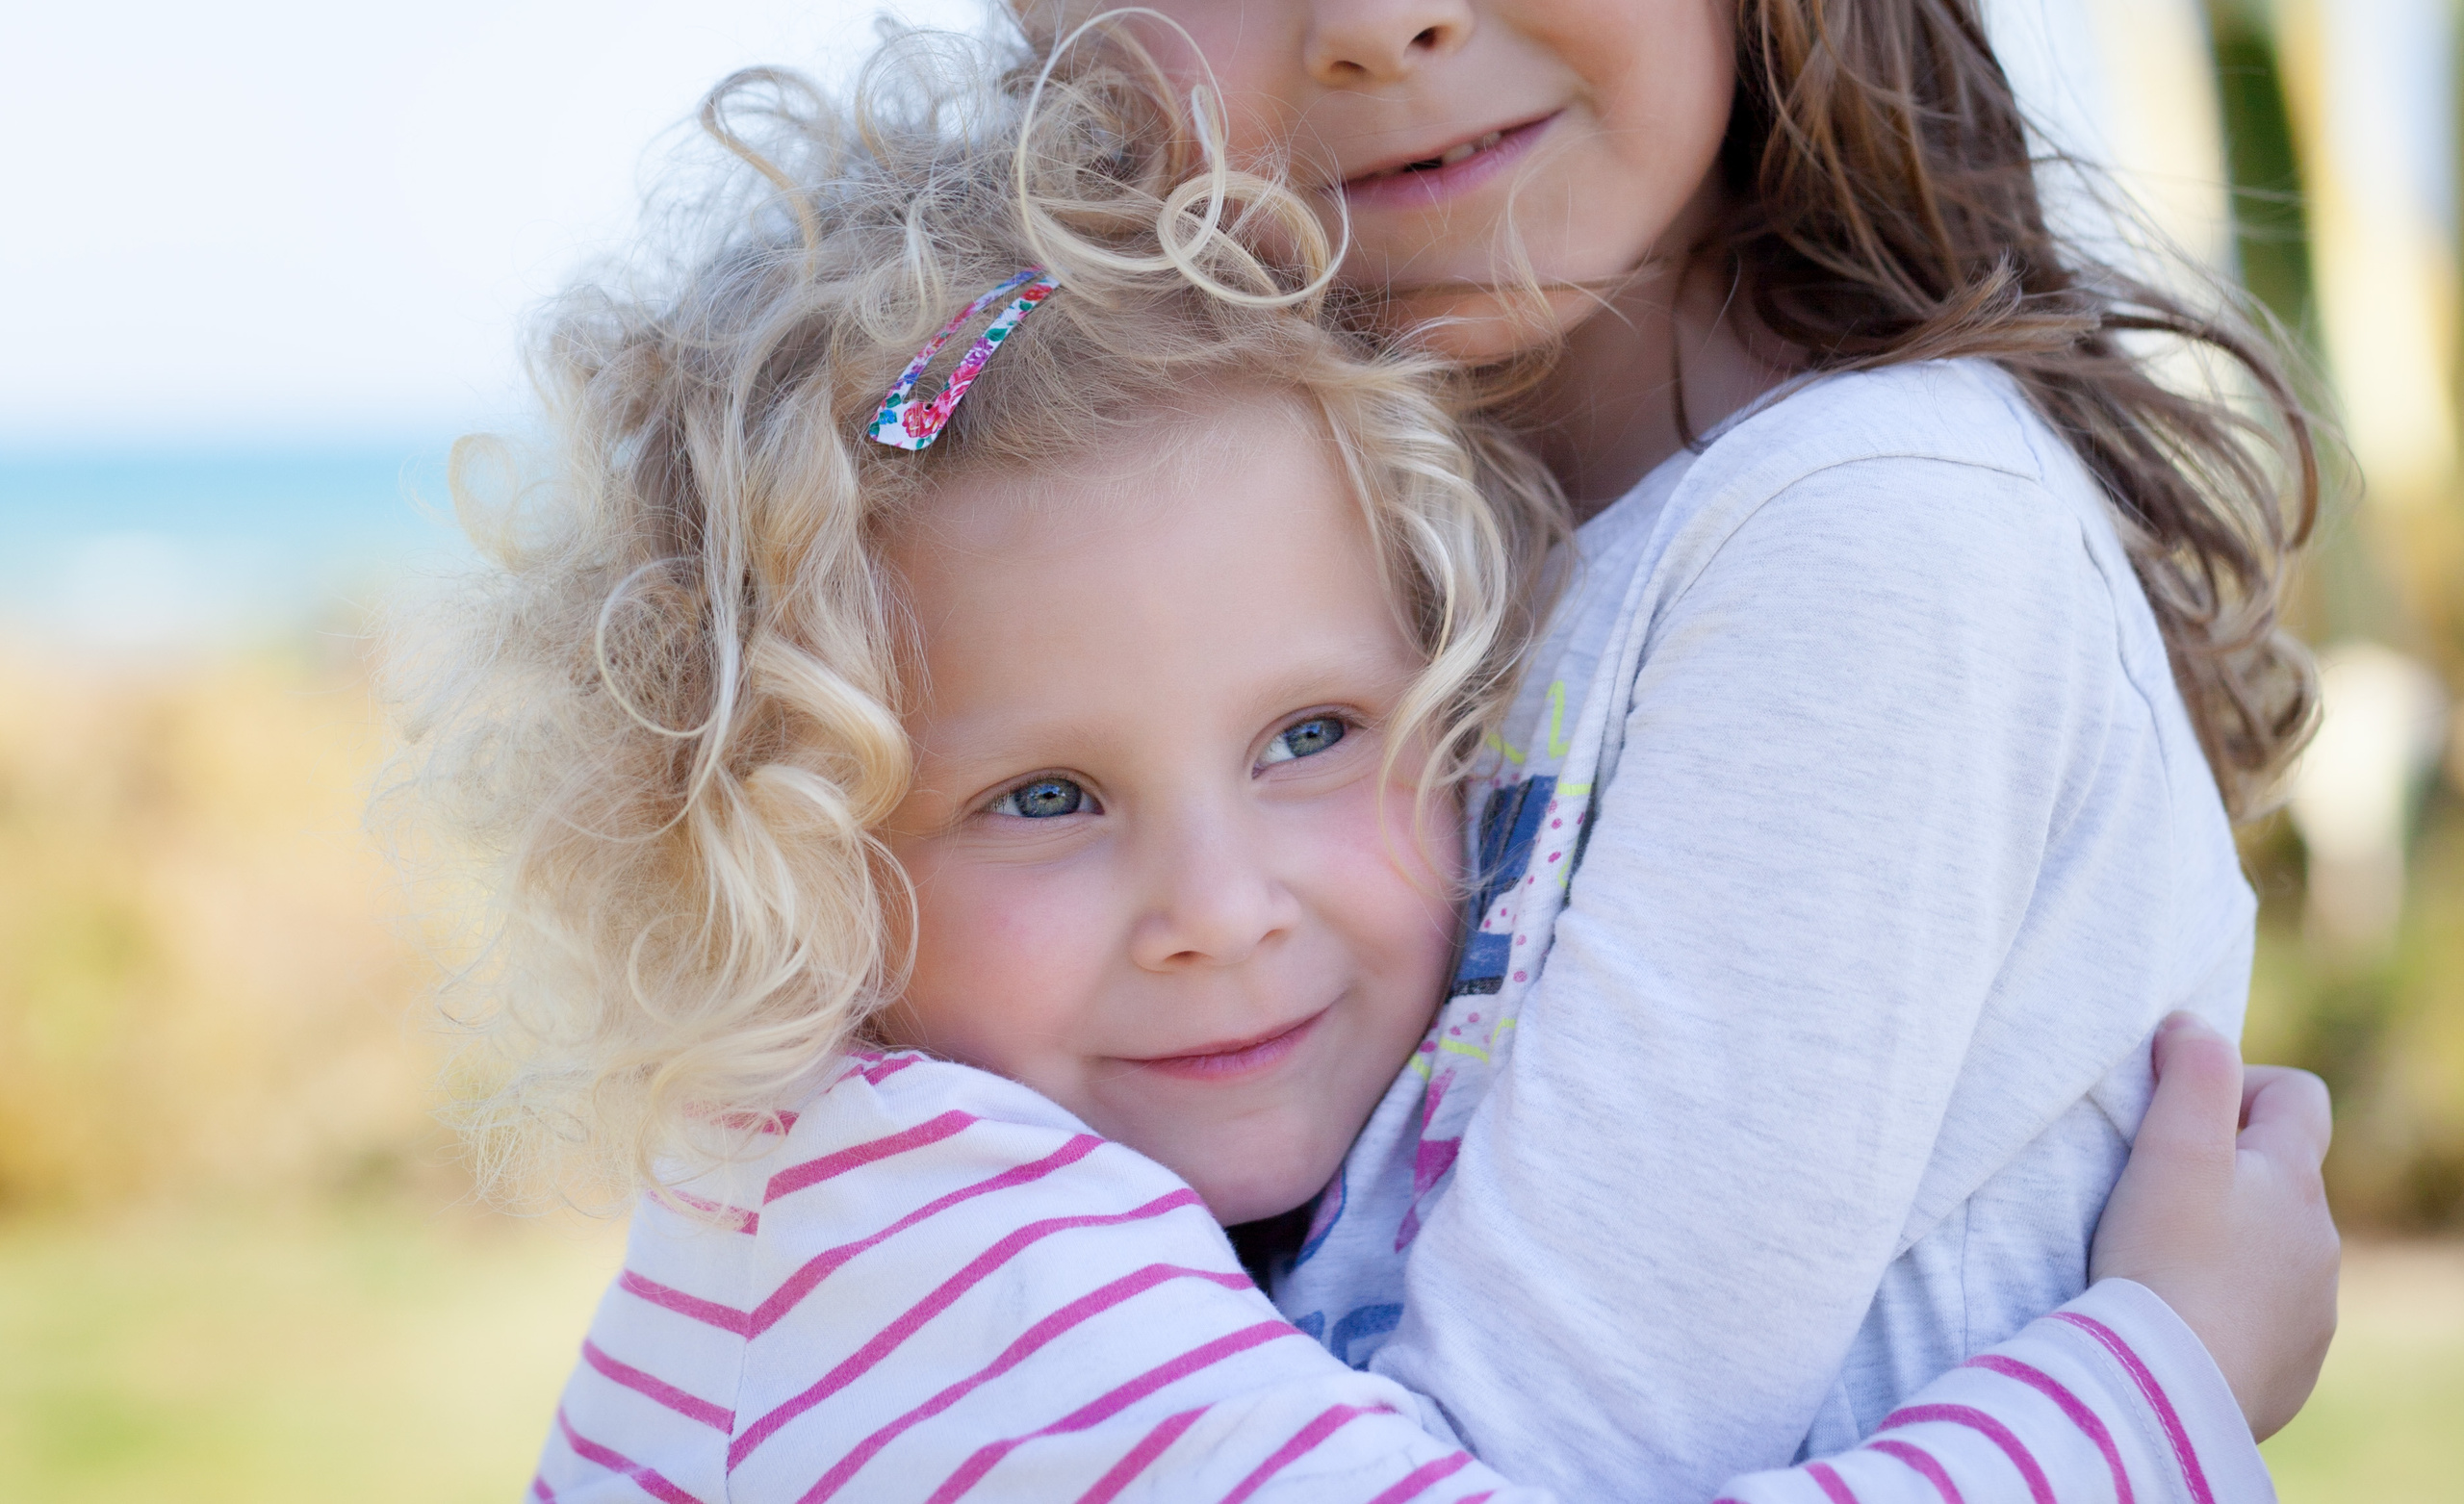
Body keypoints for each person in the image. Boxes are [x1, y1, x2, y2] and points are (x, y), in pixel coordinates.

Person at [386, 32, 2336, 1503]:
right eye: (1042, 796)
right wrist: (2152, 1379)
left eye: (1317, 736)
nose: (1224, 906)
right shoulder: (948, 1241)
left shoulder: (1859, 531)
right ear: (775, 832)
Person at [1055, 3, 2335, 1495]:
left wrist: (2151, 1391)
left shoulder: (1868, 532)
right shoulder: (1301, 590)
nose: (1378, 25)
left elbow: (1530, 1470)